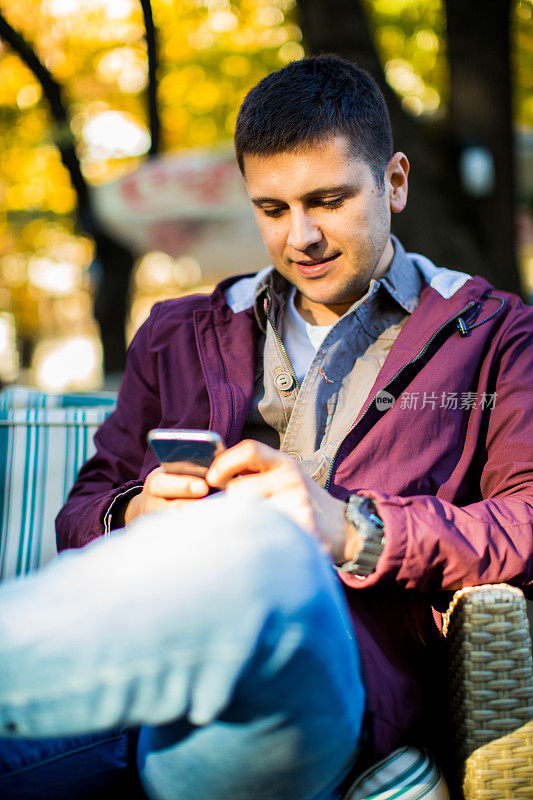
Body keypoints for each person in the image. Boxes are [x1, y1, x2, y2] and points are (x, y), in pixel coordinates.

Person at [2, 53, 533, 799]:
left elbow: (527, 519)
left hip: (326, 696)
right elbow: (84, 509)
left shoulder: (493, 336)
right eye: (273, 209)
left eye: (328, 200)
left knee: (258, 541)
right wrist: (137, 510)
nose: (300, 238)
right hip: (144, 683)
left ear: (395, 182)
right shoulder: (175, 332)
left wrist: (355, 529)